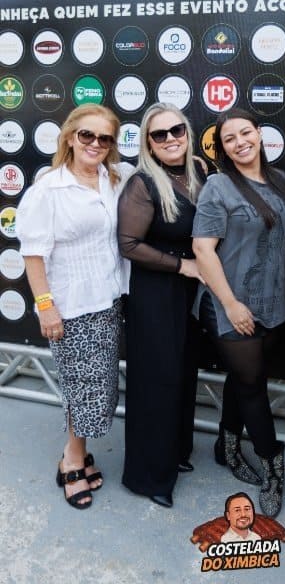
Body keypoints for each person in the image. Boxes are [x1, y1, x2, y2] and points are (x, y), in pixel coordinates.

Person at [16, 105, 130, 510]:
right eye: (87, 135)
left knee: (98, 386)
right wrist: (46, 306)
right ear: (69, 137)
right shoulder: (48, 189)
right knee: (80, 388)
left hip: (108, 299)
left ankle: (77, 452)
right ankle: (72, 460)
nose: (95, 144)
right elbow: (33, 254)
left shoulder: (115, 178)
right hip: (70, 306)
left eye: (105, 138)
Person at [192, 108, 285, 518]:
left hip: (272, 304)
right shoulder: (218, 186)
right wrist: (231, 305)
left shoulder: (282, 180)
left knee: (244, 378)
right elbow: (202, 250)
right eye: (229, 139)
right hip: (227, 304)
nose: (240, 143)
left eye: (245, 133)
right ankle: (273, 468)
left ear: (259, 134)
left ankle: (227, 447)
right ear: (221, 147)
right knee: (253, 386)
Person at [118, 103, 206, 508]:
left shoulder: (199, 172)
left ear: (187, 133)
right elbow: (128, 244)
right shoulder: (142, 183)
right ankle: (148, 476)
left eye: (176, 130)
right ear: (148, 144)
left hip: (188, 294)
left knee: (183, 374)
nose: (170, 139)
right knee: (157, 381)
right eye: (159, 134)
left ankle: (175, 453)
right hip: (155, 293)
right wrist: (181, 265)